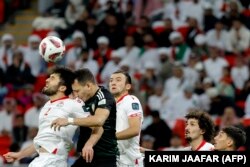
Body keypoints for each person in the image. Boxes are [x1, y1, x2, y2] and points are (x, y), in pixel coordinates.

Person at [4, 67, 103, 167]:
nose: (47, 80)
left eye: (52, 78)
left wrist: (89, 144)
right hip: (40, 159)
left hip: (55, 160)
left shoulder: (73, 104)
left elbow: (98, 127)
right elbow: (40, 141)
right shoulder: (47, 106)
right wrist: (20, 155)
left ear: (62, 88)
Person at [51, 68, 119, 167]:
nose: (76, 95)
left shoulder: (104, 97)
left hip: (104, 157)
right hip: (87, 156)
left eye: (77, 91)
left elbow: (98, 121)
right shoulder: (83, 98)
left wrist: (69, 121)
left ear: (88, 86)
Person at [109, 70, 144, 167]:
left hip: (130, 161)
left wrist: (109, 137)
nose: (113, 82)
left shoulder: (131, 101)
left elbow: (134, 130)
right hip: (116, 158)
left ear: (128, 86)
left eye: (118, 80)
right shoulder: (110, 106)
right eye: (111, 80)